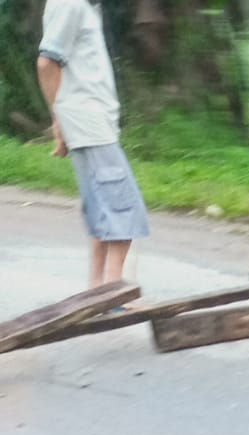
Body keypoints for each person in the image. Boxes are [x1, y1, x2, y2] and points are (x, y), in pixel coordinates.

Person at [37, 0, 149, 290]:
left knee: (103, 211)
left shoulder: (85, 6)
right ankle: (112, 293)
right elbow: (47, 62)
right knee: (126, 211)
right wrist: (58, 119)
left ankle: (96, 288)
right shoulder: (70, 3)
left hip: (91, 122)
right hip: (88, 122)